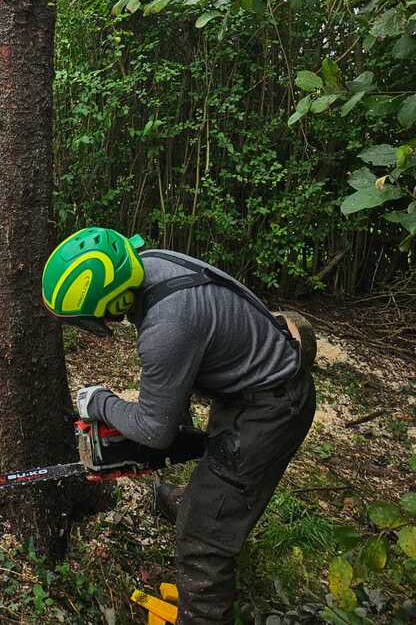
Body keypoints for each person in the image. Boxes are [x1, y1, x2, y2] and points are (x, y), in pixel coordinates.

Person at [41, 226, 316, 625]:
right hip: (248, 387)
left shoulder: (167, 328)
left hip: (270, 410)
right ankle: (194, 499)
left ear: (114, 298)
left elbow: (155, 429)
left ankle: (202, 612)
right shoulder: (152, 265)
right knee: (210, 487)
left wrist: (99, 402)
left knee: (202, 541)